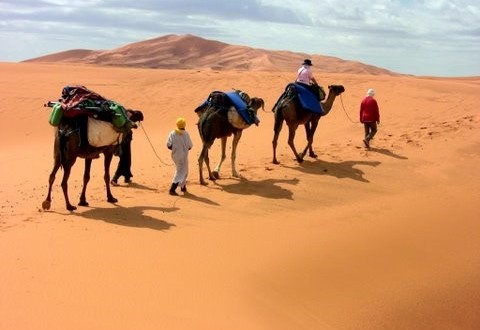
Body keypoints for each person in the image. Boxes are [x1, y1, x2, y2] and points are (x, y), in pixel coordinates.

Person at [166, 117, 193, 195]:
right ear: (184, 125)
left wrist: (175, 148)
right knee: (181, 171)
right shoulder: (186, 134)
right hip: (183, 156)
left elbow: (168, 145)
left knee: (183, 170)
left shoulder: (172, 133)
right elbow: (190, 146)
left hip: (175, 156)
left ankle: (183, 187)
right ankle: (172, 189)